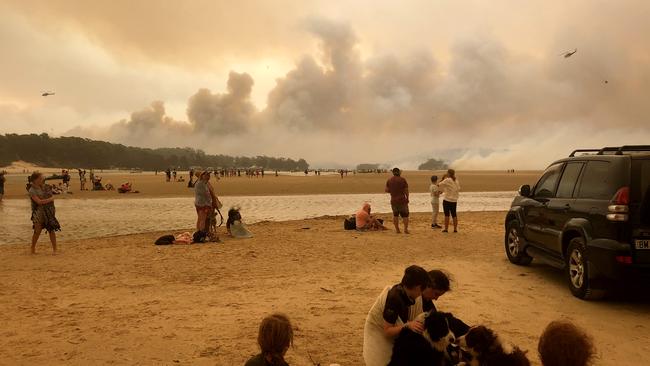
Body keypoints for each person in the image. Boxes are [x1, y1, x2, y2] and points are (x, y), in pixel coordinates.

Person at [362, 265, 431, 366]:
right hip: (380, 336)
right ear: (417, 287)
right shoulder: (394, 299)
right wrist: (407, 325)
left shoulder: (405, 294)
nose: (421, 294)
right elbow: (387, 331)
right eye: (421, 290)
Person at [28, 172, 60, 254]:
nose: (42, 180)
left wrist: (52, 197)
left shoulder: (44, 187)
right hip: (38, 213)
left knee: (51, 229)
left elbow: (51, 194)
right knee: (37, 231)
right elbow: (39, 202)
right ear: (35, 180)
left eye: (42, 178)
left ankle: (55, 249)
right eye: (40, 178)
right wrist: (51, 199)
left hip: (48, 211)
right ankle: (33, 247)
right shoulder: (32, 190)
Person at [385, 168, 409, 234]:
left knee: (395, 215)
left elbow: (386, 190)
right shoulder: (402, 180)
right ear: (399, 172)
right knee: (405, 215)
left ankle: (397, 230)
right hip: (402, 200)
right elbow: (406, 190)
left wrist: (392, 191)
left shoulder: (389, 180)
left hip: (393, 200)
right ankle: (405, 229)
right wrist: (407, 198)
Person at [438, 168, 460, 233]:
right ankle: (455, 229)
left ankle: (446, 229)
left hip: (447, 199)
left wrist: (443, 179)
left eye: (447, 173)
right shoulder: (456, 180)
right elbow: (458, 188)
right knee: (454, 214)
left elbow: (439, 184)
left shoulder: (447, 180)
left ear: (449, 174)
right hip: (454, 200)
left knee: (447, 215)